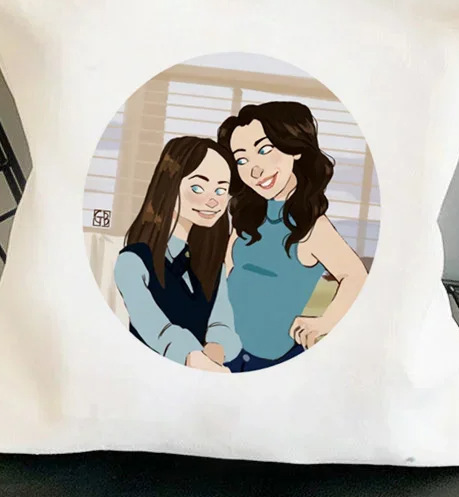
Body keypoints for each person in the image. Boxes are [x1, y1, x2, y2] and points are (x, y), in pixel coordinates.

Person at [217, 101, 368, 373]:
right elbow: (228, 270)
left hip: (270, 360)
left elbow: (356, 276)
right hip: (225, 350)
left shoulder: (311, 227)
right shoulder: (246, 216)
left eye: (264, 150)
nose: (254, 170)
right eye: (242, 160)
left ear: (294, 149)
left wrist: (323, 323)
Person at [114, 136, 241, 373]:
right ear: (170, 185)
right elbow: (156, 329)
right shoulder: (132, 262)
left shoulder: (213, 264)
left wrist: (215, 352)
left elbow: (222, 324)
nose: (213, 200)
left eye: (221, 190)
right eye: (197, 188)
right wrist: (194, 359)